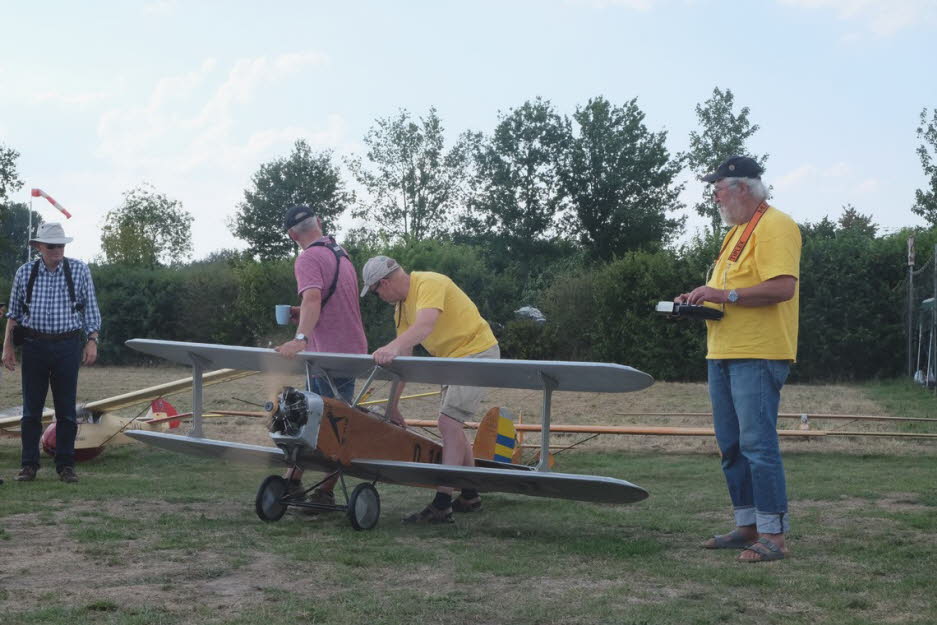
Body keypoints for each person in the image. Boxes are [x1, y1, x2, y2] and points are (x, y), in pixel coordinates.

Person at [675, 156, 801, 563]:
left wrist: (724, 295)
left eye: (719, 187)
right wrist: (696, 300)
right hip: (724, 352)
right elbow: (725, 291)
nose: (714, 195)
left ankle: (774, 536)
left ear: (743, 188)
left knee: (757, 446)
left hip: (758, 352)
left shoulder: (776, 225)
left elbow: (783, 288)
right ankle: (748, 526)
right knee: (732, 447)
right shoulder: (736, 233)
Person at [360, 256, 499, 524]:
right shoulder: (401, 308)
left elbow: (425, 326)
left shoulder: (429, 283)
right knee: (453, 426)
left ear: (384, 283)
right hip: (452, 360)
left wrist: (391, 346)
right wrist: (393, 405)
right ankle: (469, 495)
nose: (379, 296)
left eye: (376, 291)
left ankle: (442, 504)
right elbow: (406, 359)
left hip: (476, 352)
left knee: (447, 423)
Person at [274, 204, 368, 506]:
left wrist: (300, 337)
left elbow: (313, 296)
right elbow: (331, 304)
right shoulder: (342, 255)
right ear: (320, 223)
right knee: (336, 420)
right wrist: (303, 315)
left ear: (292, 235)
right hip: (352, 350)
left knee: (311, 419)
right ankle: (324, 490)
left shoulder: (308, 258)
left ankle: (292, 484)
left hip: (325, 354)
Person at [2, 222, 102, 484]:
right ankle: (28, 465)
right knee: (31, 411)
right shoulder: (25, 273)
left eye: (61, 245)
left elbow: (91, 310)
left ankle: (66, 465)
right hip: (34, 346)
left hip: (68, 345)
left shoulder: (79, 270)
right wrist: (7, 347)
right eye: (51, 245)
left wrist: (92, 340)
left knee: (66, 410)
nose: (57, 250)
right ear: (39, 247)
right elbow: (13, 314)